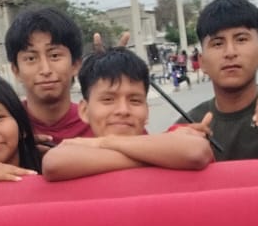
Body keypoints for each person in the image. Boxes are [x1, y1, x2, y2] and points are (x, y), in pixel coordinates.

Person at [42, 48, 214, 181]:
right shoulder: (167, 148)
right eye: (108, 99)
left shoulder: (90, 145)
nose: (123, 110)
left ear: (147, 111)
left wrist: (103, 143)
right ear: (84, 111)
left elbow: (195, 151)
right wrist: (163, 158)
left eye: (135, 100)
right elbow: (53, 163)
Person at [177, 0, 258, 162]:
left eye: (241, 39)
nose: (230, 52)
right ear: (202, 62)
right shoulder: (186, 127)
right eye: (218, 43)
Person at [5, 7, 93, 147]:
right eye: (31, 58)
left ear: (75, 64)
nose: (45, 70)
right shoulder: (5, 129)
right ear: (16, 70)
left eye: (55, 55)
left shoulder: (99, 123)